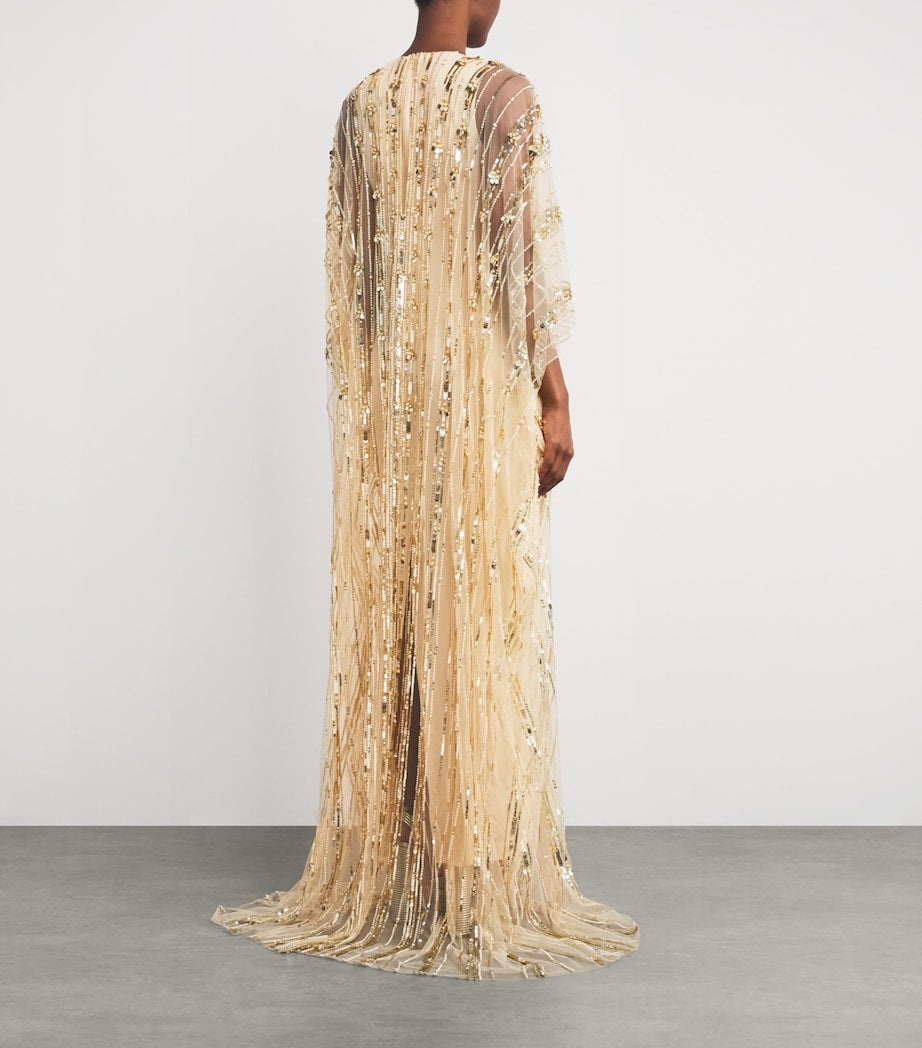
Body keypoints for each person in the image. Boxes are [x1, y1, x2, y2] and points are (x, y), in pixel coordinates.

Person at [211, 0, 640, 979]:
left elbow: (359, 288)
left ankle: (405, 867)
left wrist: (384, 409)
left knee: (404, 617)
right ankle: (469, 875)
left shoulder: (361, 107)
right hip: (479, 401)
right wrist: (557, 398)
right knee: (477, 615)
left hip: (392, 412)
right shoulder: (502, 96)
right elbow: (521, 269)